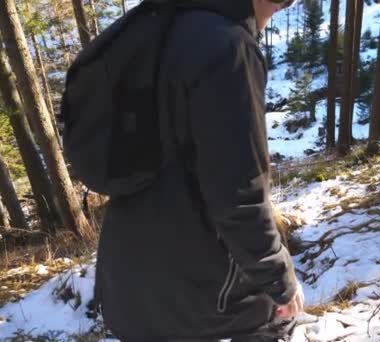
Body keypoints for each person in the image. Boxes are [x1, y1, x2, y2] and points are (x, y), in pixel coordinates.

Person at [94, 0, 304, 341]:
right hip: (189, 288)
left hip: (123, 279)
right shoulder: (229, 46)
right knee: (274, 316)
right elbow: (240, 197)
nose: (280, 9)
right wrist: (281, 282)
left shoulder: (155, 28)